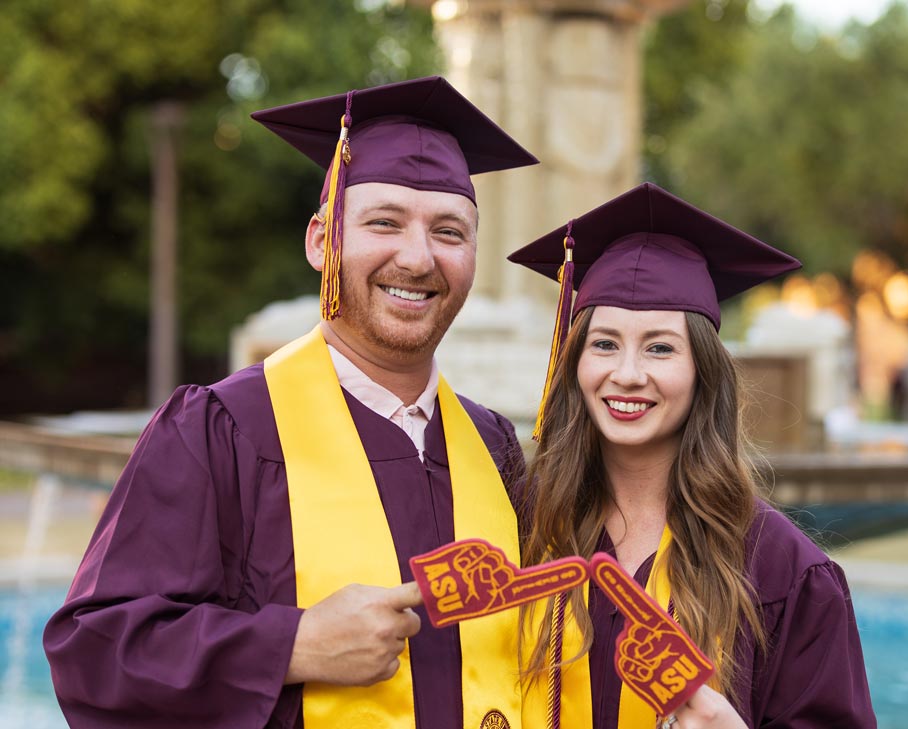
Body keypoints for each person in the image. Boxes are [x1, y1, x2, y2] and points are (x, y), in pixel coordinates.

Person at [43, 76, 538, 729]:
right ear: (319, 241)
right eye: (384, 222)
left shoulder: (493, 444)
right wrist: (291, 646)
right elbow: (94, 653)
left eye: (449, 231)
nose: (418, 258)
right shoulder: (222, 429)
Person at [509, 183, 876, 729]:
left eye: (660, 347)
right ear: (574, 363)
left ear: (703, 371)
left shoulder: (780, 569)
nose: (627, 373)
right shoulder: (525, 527)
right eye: (604, 343)